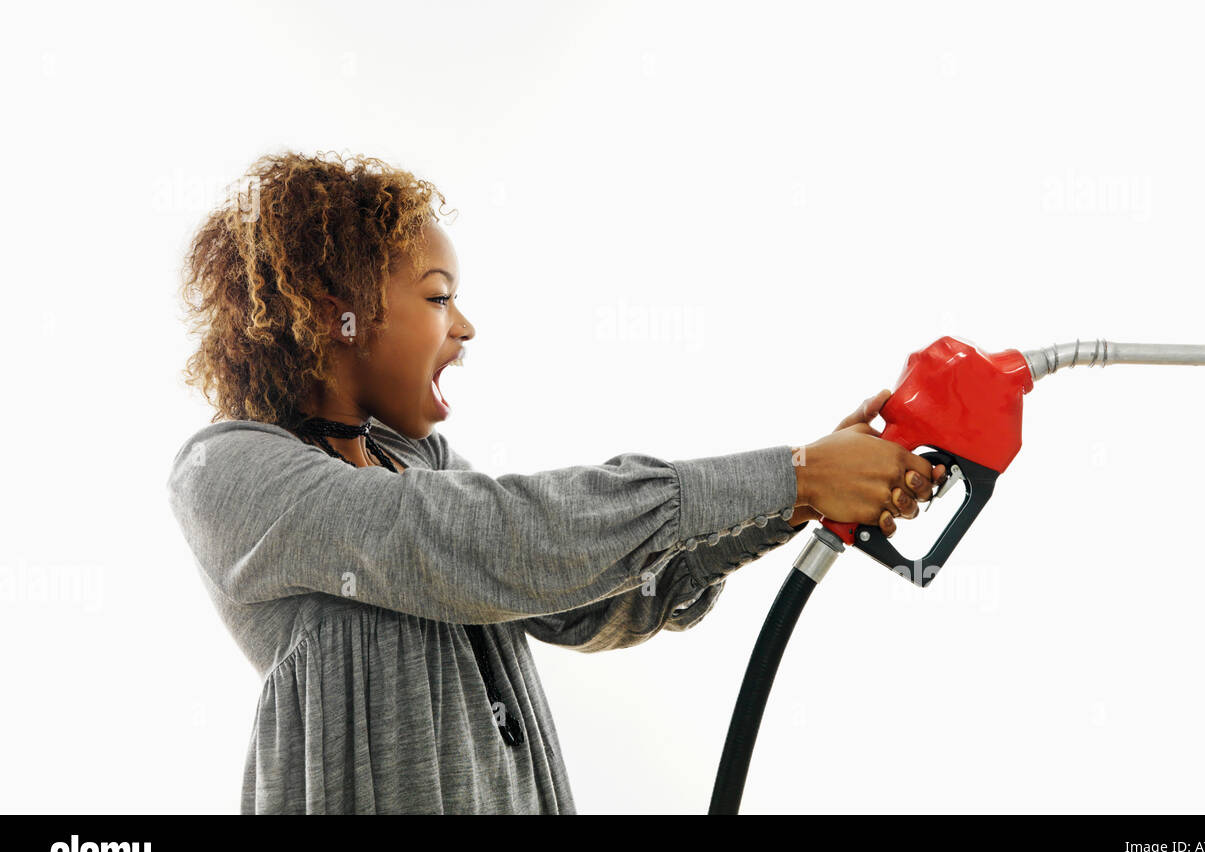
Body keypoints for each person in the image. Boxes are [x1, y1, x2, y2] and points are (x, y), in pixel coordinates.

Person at [166, 150, 944, 814]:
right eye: (438, 297)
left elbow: (591, 597)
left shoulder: (420, 464)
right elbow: (494, 538)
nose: (464, 328)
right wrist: (790, 471)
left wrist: (798, 498)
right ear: (335, 313)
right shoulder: (228, 473)